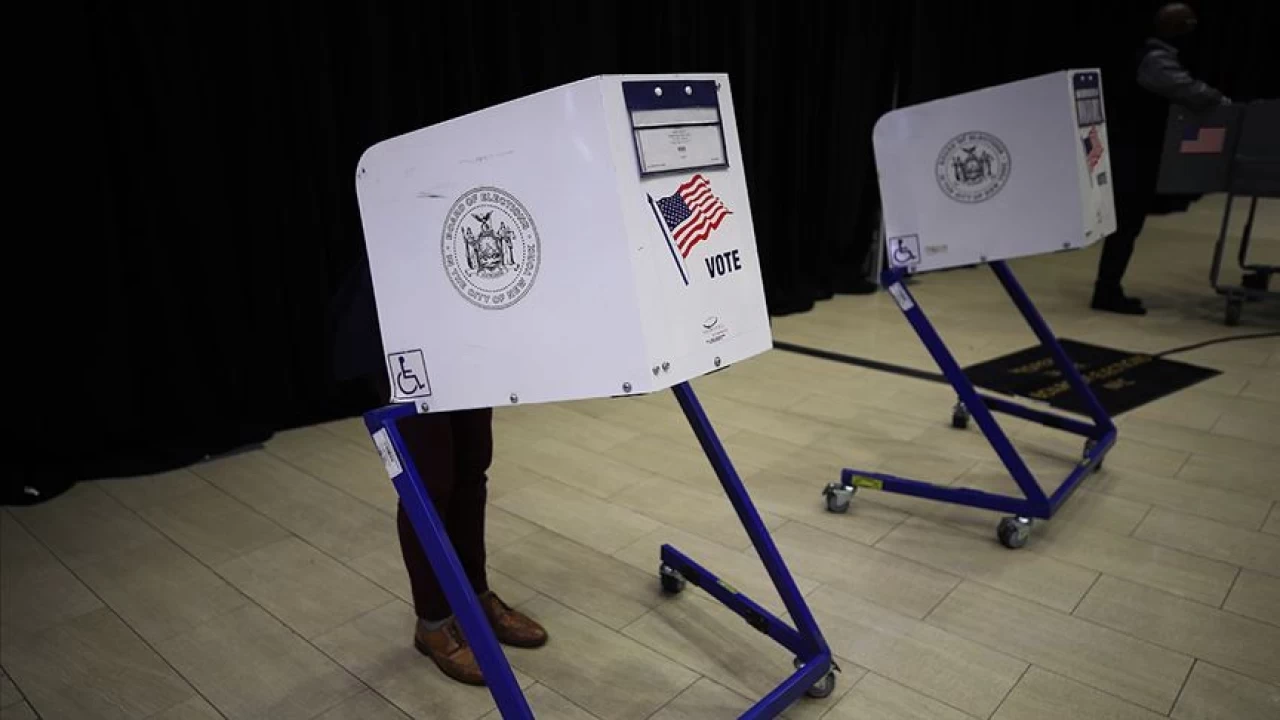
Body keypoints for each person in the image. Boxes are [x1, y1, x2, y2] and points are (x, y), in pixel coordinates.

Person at [329, 258, 548, 687]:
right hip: (398, 314)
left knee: (472, 465)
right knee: (427, 482)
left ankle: (474, 598)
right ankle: (433, 622)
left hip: (458, 311)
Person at [1092, 2, 1228, 315]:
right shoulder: (1156, 60)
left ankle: (1108, 287)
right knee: (1125, 224)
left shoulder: (1158, 56)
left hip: (1136, 152)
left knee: (1128, 225)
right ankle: (1106, 290)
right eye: (1187, 25)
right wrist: (1222, 101)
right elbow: (1189, 91)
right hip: (1133, 153)